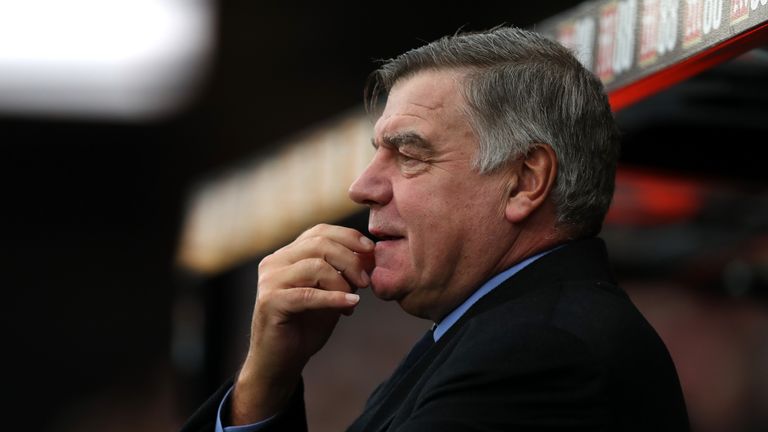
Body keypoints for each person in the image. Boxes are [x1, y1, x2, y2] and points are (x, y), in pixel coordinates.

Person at [180, 26, 689, 431]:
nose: (363, 187)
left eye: (409, 154)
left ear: (524, 182)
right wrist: (266, 384)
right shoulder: (497, 333)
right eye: (376, 153)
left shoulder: (537, 352)